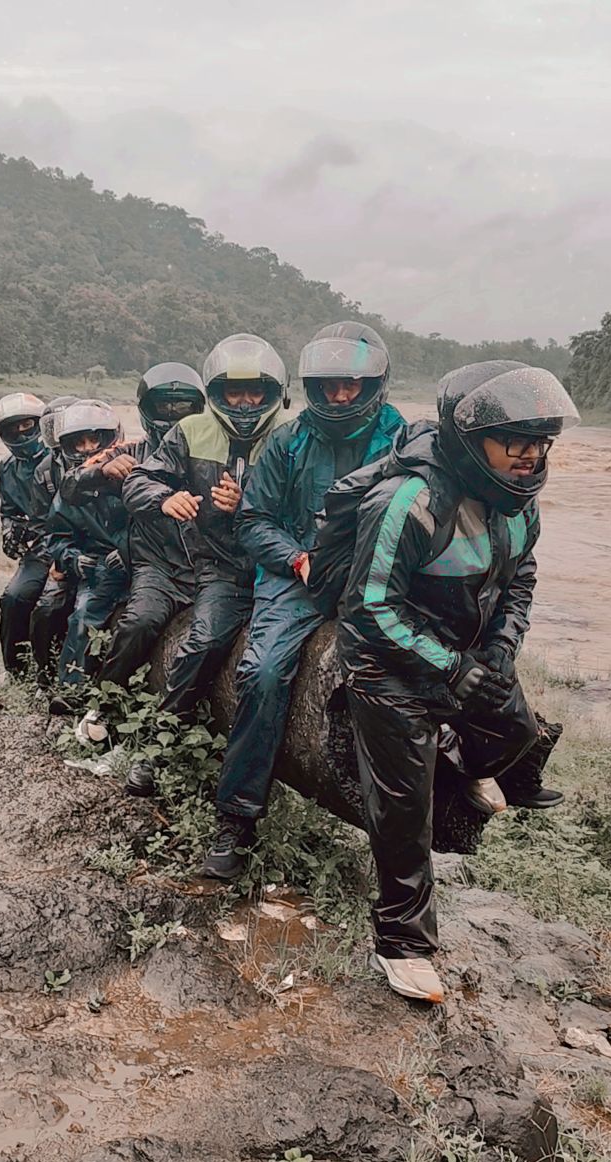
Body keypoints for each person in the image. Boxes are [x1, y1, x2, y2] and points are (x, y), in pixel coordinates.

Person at [316, 360, 579, 1003]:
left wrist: (498, 651)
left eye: (539, 444)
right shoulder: (407, 500)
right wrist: (452, 670)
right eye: (513, 443)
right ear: (469, 441)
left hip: (465, 653)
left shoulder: (521, 505)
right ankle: (403, 945)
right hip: (388, 666)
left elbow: (520, 581)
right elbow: (370, 609)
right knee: (405, 808)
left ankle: (456, 757)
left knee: (516, 730)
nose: (529, 457)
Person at [202, 320, 406, 881]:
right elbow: (254, 520)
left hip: (371, 581)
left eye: (354, 385)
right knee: (263, 671)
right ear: (313, 387)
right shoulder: (287, 441)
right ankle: (236, 820)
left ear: (374, 384)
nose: (342, 396)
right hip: (296, 577)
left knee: (417, 670)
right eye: (331, 385)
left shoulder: (400, 439)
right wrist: (298, 558)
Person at [123, 334, 292, 796]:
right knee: (203, 642)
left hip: (281, 567)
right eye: (233, 392)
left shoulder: (293, 435)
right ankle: (157, 748)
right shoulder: (191, 430)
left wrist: (248, 505)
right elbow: (141, 479)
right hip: (223, 565)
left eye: (254, 392)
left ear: (273, 393)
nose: (243, 402)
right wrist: (165, 495)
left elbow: (315, 509)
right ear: (215, 394)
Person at [71, 364, 206, 741]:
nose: (173, 415)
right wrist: (102, 470)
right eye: (164, 407)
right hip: (157, 566)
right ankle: (102, 705)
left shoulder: (211, 448)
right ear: (147, 409)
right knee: (139, 622)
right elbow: (70, 487)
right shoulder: (129, 453)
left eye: (183, 407)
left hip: (209, 565)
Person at [45, 400, 131, 706]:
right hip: (96, 568)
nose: (88, 448)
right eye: (79, 442)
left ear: (111, 438)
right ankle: (71, 690)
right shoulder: (70, 489)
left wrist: (131, 551)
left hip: (142, 562)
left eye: (95, 439)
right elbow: (55, 536)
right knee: (83, 615)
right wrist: (73, 559)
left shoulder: (134, 470)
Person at [0, 392, 48, 685]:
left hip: (73, 544)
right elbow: (8, 510)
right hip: (38, 552)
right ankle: (14, 671)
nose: (22, 433)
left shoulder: (62, 455)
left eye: (27, 425)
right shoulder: (7, 468)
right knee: (13, 598)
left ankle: (50, 675)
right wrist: (9, 531)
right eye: (14, 428)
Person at [29, 396, 80, 686]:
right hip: (60, 553)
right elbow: (41, 523)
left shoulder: (112, 463)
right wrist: (57, 559)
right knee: (46, 608)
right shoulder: (45, 471)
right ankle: (42, 674)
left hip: (103, 553)